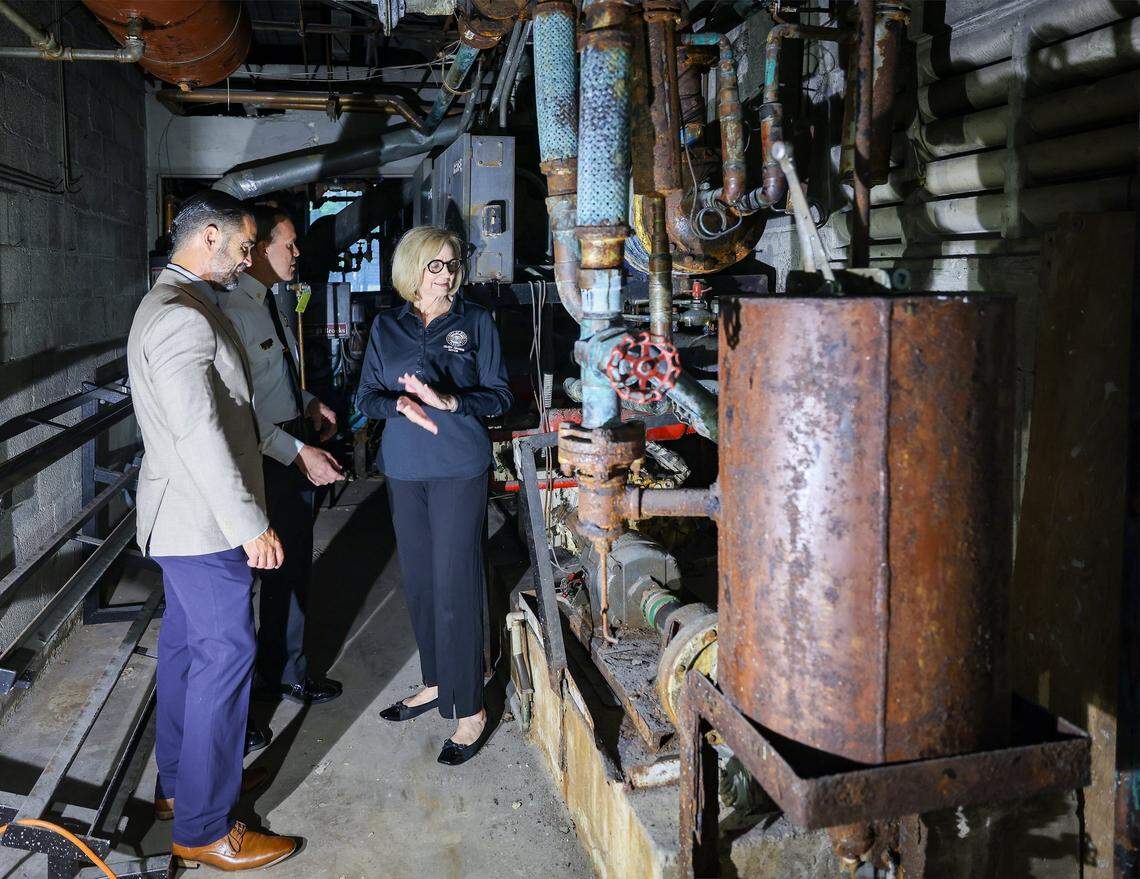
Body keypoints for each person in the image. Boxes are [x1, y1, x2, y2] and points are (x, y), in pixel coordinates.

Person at [127, 191, 297, 871]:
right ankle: (203, 825)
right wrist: (249, 523)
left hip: (185, 520)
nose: (249, 257)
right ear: (207, 237)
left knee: (188, 652)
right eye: (243, 244)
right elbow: (198, 434)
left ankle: (180, 786)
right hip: (201, 524)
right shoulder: (179, 317)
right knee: (226, 656)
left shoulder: (181, 303)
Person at [356, 225, 512, 765]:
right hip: (404, 466)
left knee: (456, 583)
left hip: (458, 467)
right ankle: (435, 681)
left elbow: (499, 396)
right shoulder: (386, 326)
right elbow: (367, 396)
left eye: (450, 265)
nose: (444, 275)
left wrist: (449, 401)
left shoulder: (475, 322)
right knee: (421, 582)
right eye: (434, 265)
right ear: (412, 268)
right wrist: (397, 405)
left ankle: (469, 707)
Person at [222, 204, 344, 725]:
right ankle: (247, 710)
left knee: (293, 569)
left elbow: (274, 384)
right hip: (264, 455)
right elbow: (238, 411)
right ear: (255, 253)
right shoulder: (233, 313)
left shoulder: (270, 302)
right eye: (287, 245)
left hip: (289, 439)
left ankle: (289, 672)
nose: (297, 253)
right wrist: (297, 452)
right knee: (248, 580)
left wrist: (309, 401)